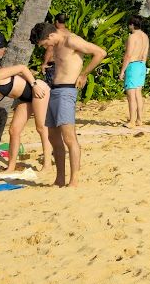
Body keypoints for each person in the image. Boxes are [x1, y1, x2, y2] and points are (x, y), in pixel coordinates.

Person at [31, 20, 107, 188]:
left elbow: (100, 53)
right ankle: (59, 179)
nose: (46, 47)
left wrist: (84, 74)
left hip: (67, 91)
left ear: (51, 35)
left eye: (45, 44)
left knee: (69, 137)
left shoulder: (71, 40)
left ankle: (74, 180)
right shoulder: (56, 44)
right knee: (53, 137)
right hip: (54, 90)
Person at [122, 16, 149, 130]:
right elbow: (145, 54)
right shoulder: (145, 36)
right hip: (142, 65)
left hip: (133, 65)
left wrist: (122, 70)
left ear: (132, 25)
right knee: (138, 93)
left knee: (131, 95)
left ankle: (132, 121)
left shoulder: (132, 37)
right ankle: (139, 119)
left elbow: (128, 55)